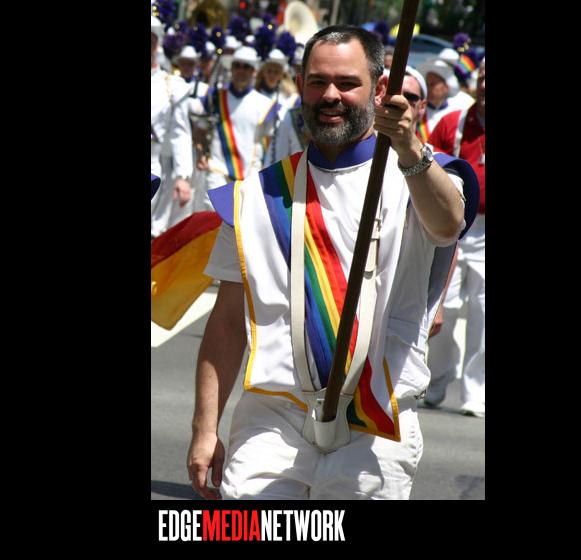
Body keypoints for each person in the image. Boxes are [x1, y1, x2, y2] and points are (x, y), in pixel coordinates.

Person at [187, 25, 477, 500]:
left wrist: (410, 149)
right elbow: (226, 323)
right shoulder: (255, 197)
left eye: (347, 83)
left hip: (378, 423)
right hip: (272, 421)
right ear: (301, 84)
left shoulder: (423, 174)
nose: (330, 96)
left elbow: (448, 225)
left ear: (380, 89)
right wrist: (204, 428)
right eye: (318, 81)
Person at [425, 58, 486, 417]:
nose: (485, 85)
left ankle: (476, 392)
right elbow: (430, 163)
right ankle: (438, 380)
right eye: (483, 78)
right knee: (442, 306)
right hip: (457, 224)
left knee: (482, 312)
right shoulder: (454, 122)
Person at [199, 45, 277, 191]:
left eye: (246, 67)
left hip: (249, 178)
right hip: (216, 172)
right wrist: (201, 153)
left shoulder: (265, 105)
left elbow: (269, 145)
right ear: (232, 68)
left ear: (254, 71)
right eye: (237, 66)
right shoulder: (214, 97)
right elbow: (200, 130)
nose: (241, 70)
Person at [151, 15, 194, 238]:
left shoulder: (171, 86)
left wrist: (183, 176)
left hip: (155, 169)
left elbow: (180, 133)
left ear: (156, 43)